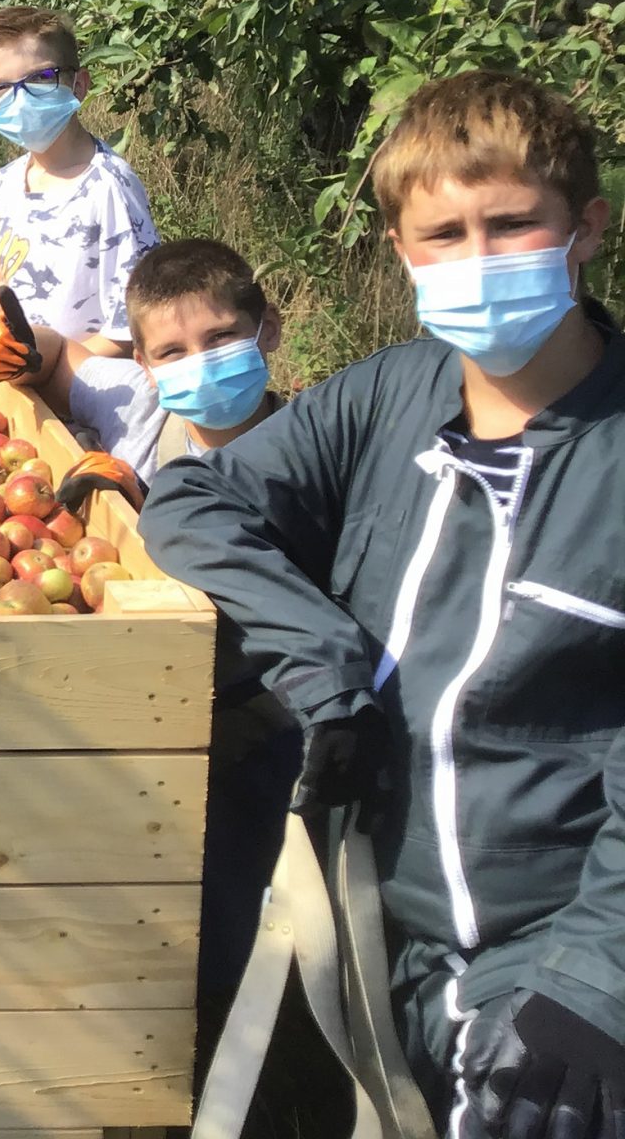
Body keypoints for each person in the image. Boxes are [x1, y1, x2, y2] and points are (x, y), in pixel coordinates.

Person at [142, 71, 624, 1136]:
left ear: (584, 228)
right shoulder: (385, 396)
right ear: (401, 252)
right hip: (368, 919)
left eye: (510, 226)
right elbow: (188, 502)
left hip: (538, 957)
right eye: (440, 233)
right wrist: (322, 662)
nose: (477, 259)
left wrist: (594, 979)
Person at [0, 6, 158, 361]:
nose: (20, 99)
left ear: (79, 85)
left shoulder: (109, 189)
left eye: (40, 78)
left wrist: (41, 370)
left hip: (75, 399)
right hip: (5, 387)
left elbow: (129, 333)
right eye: (1, 88)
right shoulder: (2, 185)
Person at [0, 238, 284, 481]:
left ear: (268, 329)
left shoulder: (313, 457)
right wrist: (18, 353)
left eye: (220, 337)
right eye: (172, 352)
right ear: (144, 365)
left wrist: (143, 505)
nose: (201, 362)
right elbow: (59, 357)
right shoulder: (140, 407)